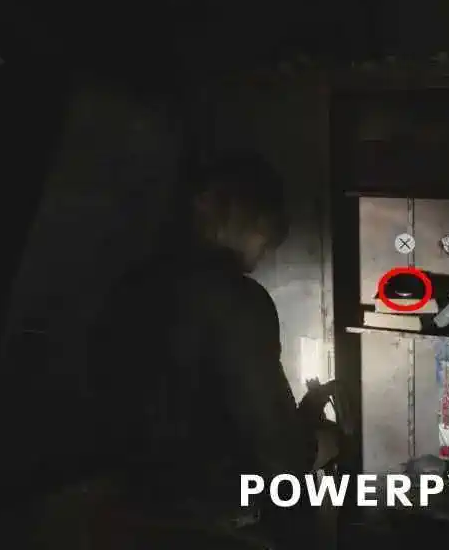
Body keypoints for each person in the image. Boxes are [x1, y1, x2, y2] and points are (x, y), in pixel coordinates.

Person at [74, 152, 334, 549]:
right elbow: (276, 451)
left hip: (128, 504)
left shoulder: (132, 284)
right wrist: (322, 441)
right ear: (251, 220)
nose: (263, 255)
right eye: (266, 238)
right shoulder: (237, 299)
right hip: (212, 519)